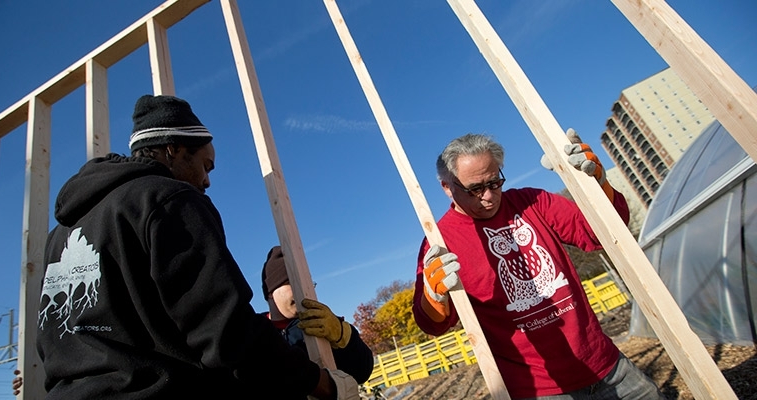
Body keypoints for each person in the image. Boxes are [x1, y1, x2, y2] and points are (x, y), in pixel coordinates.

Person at [35, 94, 358, 399]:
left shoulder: (60, 235)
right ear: (173, 149)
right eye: (206, 165)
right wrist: (326, 386)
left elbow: (50, 345)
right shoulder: (167, 200)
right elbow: (229, 334)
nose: (207, 181)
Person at [411, 131, 665, 399]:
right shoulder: (440, 243)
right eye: (475, 189)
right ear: (447, 187)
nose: (488, 197)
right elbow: (432, 324)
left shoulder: (533, 202)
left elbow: (599, 235)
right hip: (541, 389)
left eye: (495, 182)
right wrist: (434, 294)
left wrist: (598, 185)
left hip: (606, 365)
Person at [260, 245, 374, 390]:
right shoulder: (255, 332)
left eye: (307, 283)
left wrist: (342, 336)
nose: (301, 289)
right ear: (271, 292)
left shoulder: (322, 322)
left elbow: (362, 373)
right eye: (291, 282)